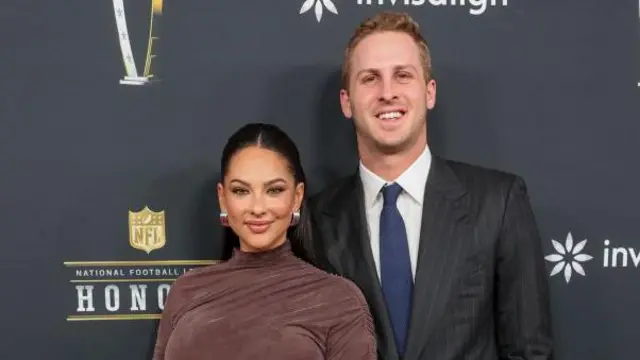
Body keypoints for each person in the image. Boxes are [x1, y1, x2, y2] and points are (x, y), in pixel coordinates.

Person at [306, 11, 554, 360]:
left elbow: (530, 352)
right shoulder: (314, 221)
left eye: (403, 75)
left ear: (429, 92)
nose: (387, 92)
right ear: (347, 102)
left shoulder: (498, 203)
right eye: (370, 79)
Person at [151, 123, 377, 360]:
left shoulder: (339, 300)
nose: (257, 208)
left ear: (296, 197)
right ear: (223, 198)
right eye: (241, 191)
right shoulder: (186, 291)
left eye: (274, 190)